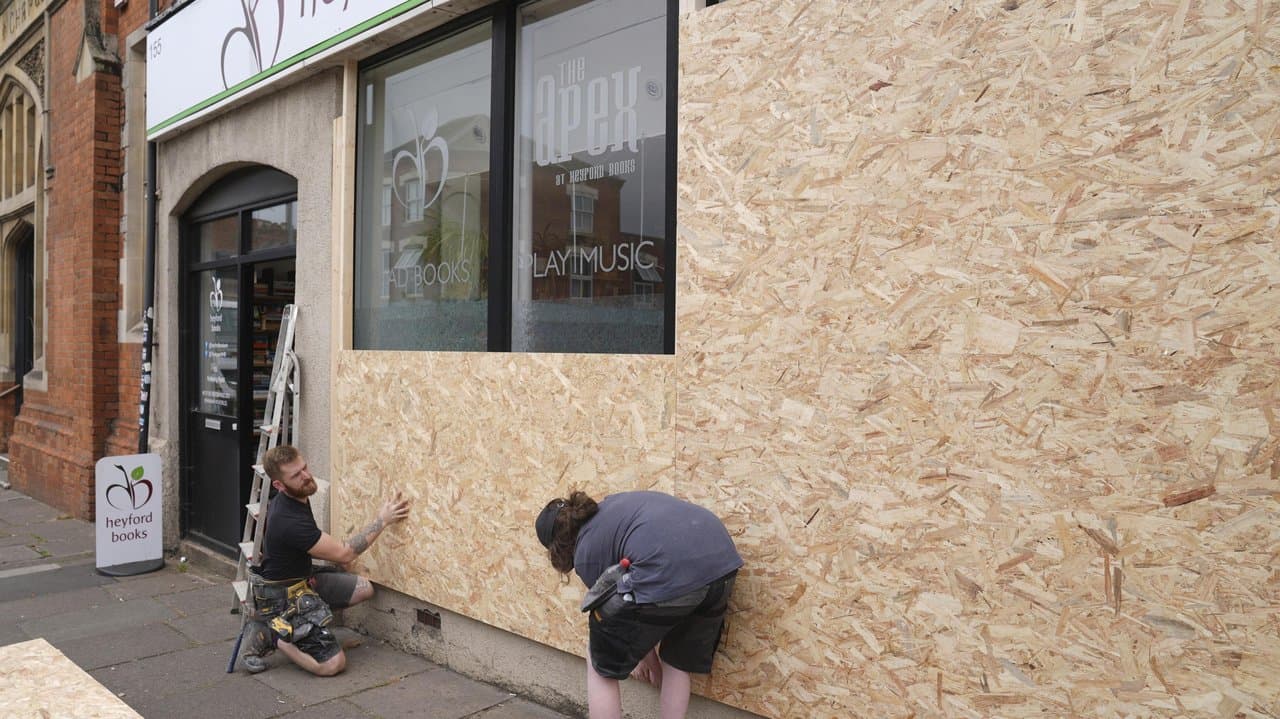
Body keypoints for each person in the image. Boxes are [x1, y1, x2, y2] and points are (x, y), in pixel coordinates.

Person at [535, 490, 742, 719]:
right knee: (677, 662)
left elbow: (619, 615)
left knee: (599, 661)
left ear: (558, 548)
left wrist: (647, 659)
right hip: (721, 563)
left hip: (673, 570)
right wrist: (648, 657)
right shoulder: (613, 505)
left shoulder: (586, 554)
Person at [237, 444, 411, 676]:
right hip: (282, 598)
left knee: (364, 589)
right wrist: (383, 520)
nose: (307, 476)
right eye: (296, 475)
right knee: (333, 665)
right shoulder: (288, 520)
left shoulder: (298, 494)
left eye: (305, 467)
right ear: (279, 485)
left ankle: (306, 629)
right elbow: (345, 553)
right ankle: (277, 634)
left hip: (303, 582)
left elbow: (327, 550)